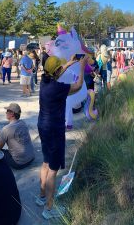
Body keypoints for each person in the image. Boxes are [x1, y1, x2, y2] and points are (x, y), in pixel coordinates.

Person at [36, 56, 83, 219]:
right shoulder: (57, 88)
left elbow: (55, 72)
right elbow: (78, 86)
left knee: (45, 163)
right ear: (56, 71)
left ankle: (41, 196)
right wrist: (82, 67)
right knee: (53, 170)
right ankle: (49, 208)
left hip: (42, 125)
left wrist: (68, 63)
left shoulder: (44, 80)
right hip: (54, 129)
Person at [0, 103, 35, 170]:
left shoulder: (6, 129)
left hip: (18, 163)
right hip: (31, 158)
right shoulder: (23, 123)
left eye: (7, 111)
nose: (6, 113)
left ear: (12, 113)